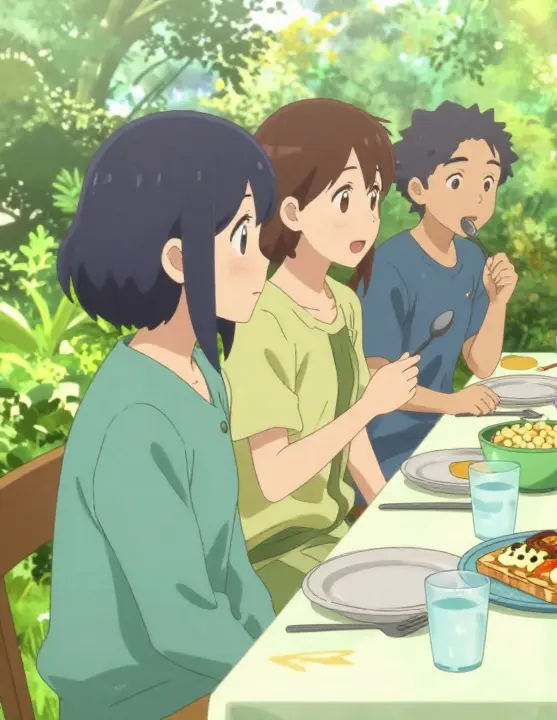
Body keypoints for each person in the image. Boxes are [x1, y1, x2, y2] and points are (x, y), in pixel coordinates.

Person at [38, 112, 277, 720]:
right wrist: (278, 681)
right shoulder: (136, 418)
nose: (264, 261)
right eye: (243, 237)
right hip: (144, 698)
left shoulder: (200, 371)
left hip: (209, 672)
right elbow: (179, 621)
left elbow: (230, 568)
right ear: (177, 258)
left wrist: (273, 648)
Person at [221, 99, 420, 611]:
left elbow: (353, 440)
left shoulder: (345, 303)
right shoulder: (259, 317)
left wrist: (389, 513)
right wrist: (370, 406)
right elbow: (274, 477)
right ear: (291, 210)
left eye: (373, 198)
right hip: (270, 557)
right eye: (345, 196)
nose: (368, 217)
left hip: (334, 537)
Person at [359, 102, 517, 480]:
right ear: (419, 188)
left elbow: (481, 363)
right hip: (390, 447)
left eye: (488, 183)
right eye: (458, 181)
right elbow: (374, 377)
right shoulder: (388, 266)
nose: (477, 198)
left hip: (445, 434)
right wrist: (453, 403)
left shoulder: (471, 259)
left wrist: (498, 303)